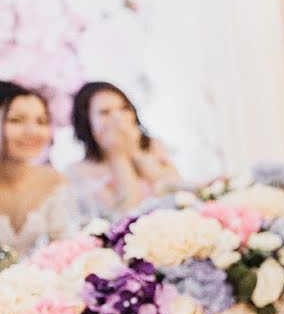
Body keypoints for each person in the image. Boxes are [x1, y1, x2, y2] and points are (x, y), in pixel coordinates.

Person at [67, 81, 181, 221]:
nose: (117, 118)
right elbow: (126, 213)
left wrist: (134, 152)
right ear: (86, 122)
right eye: (105, 112)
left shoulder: (153, 146)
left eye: (124, 108)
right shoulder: (80, 172)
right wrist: (118, 156)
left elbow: (178, 192)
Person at [0, 81, 76, 255]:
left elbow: (65, 249)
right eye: (16, 120)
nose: (33, 131)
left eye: (41, 121)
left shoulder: (54, 181)